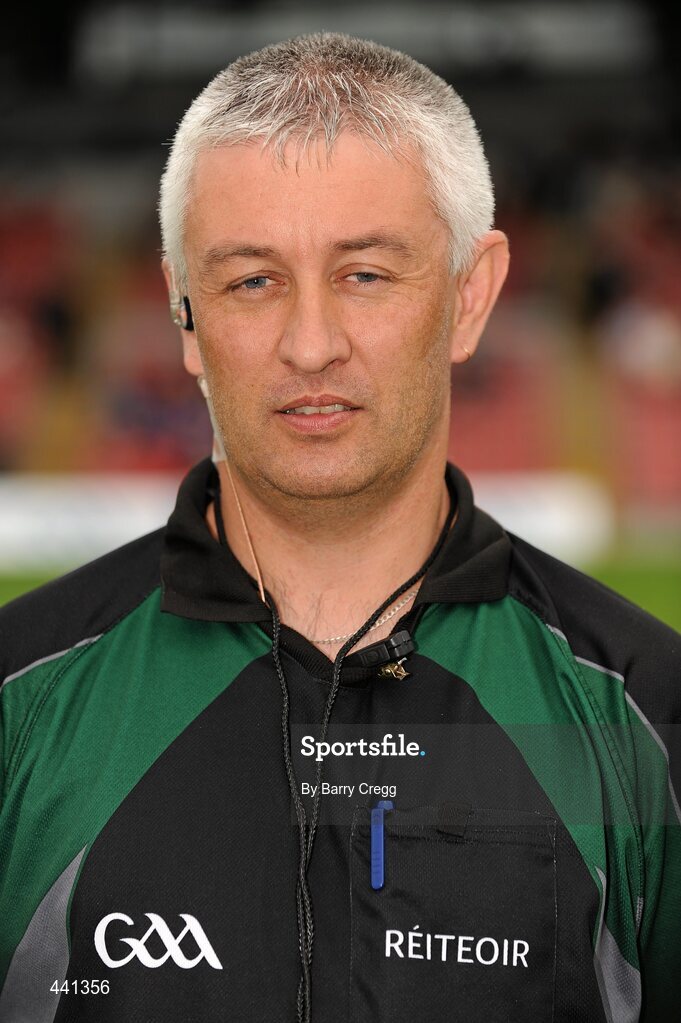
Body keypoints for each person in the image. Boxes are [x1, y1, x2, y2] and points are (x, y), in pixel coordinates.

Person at [0, 32, 679, 1023]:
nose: (310, 344)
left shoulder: (648, 718)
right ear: (184, 317)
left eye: (365, 275)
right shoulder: (20, 707)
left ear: (470, 296)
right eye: (250, 281)